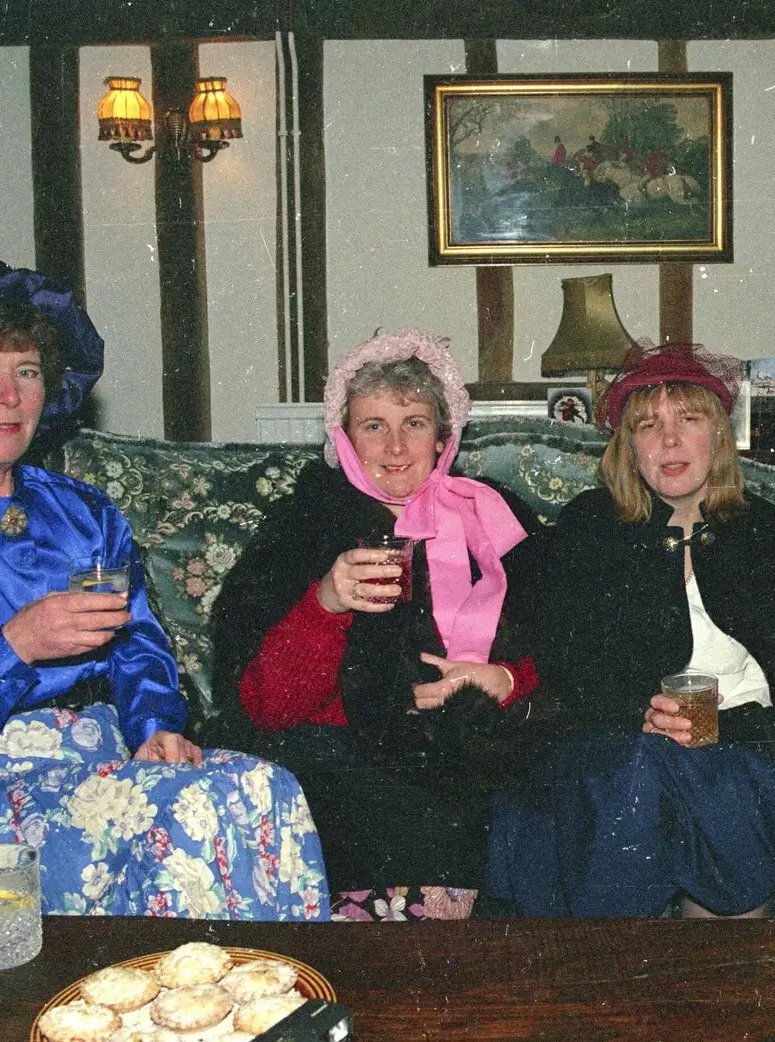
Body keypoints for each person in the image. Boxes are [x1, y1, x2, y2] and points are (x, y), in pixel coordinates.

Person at [0, 251, 327, 920]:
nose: (8, 396)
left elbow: (138, 646)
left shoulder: (84, 514)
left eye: (27, 371)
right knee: (191, 808)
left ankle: (273, 1010)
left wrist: (154, 724)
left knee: (267, 786)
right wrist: (14, 644)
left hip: (101, 766)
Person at [209, 327, 541, 921]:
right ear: (344, 438)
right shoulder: (302, 524)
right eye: (373, 426)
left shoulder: (492, 513)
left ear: (444, 436)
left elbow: (567, 646)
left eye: (413, 422)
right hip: (347, 756)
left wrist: (506, 680)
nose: (394, 447)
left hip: (486, 743)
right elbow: (263, 707)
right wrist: (325, 603)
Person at [486, 344, 775, 919]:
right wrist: (633, 712)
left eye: (688, 420)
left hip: (741, 744)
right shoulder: (592, 525)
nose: (669, 440)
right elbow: (564, 655)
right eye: (648, 425)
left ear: (717, 436)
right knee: (633, 778)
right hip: (620, 746)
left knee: (715, 786)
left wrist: (726, 730)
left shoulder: (764, 530)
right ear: (627, 446)